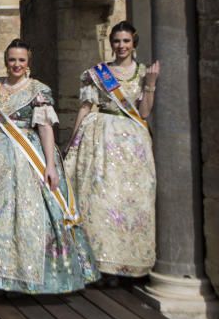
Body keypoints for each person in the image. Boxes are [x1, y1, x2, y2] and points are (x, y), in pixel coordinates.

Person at [0, 38, 99, 294]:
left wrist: (50, 165)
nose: (16, 65)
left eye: (21, 60)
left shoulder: (38, 90)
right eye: (12, 60)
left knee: (27, 214)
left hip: (25, 157)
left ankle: (24, 274)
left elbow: (45, 128)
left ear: (28, 63)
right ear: (5, 61)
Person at [64, 21, 160, 278]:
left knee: (132, 201)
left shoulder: (142, 72)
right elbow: (85, 108)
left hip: (133, 143)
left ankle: (128, 263)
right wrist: (73, 144)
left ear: (133, 43)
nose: (121, 46)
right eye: (117, 41)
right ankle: (100, 262)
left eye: (126, 41)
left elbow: (144, 112)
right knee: (100, 200)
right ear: (111, 43)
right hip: (101, 139)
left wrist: (150, 83)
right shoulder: (97, 73)